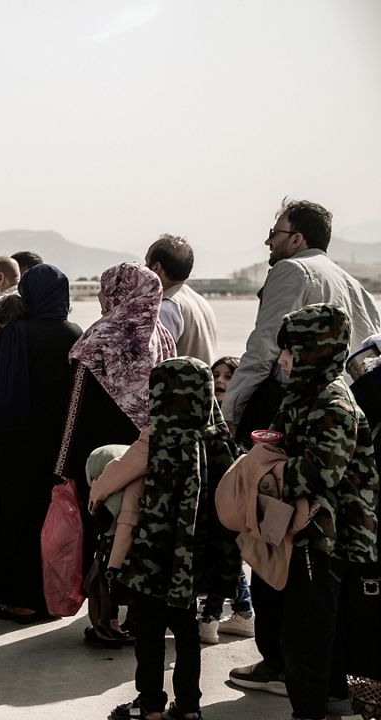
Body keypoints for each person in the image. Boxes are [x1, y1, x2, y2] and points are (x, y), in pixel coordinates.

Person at [230, 305, 380, 719]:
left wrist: (263, 471)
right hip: (300, 532)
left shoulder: (332, 402)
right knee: (303, 631)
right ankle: (328, 700)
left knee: (308, 637)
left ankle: (311, 709)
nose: (282, 360)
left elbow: (318, 474)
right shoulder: (302, 394)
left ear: (316, 351)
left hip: (325, 540)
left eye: (291, 352)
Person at [97, 358, 241, 720]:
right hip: (195, 560)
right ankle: (190, 708)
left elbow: (112, 478)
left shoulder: (156, 438)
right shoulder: (219, 442)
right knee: (187, 633)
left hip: (151, 557)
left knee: (148, 634)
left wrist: (95, 494)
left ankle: (149, 707)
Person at [55, 262, 175, 644]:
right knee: (139, 533)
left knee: (104, 538)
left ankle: (105, 622)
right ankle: (137, 619)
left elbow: (75, 408)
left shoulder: (98, 339)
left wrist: (63, 465)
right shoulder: (163, 336)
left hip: (102, 459)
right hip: (147, 454)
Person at [0, 265, 83, 620]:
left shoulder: (17, 332)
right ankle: (48, 598)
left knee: (13, 519)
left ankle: (16, 598)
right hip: (55, 447)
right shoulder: (73, 333)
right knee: (46, 522)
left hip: (13, 444)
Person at [224, 199, 381, 441]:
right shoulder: (356, 286)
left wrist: (231, 415)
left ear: (297, 239)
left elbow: (262, 349)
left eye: (274, 233)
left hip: (294, 414)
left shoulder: (292, 269)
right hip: (350, 413)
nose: (268, 241)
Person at [198, 355, 255, 645]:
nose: (220, 381)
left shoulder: (237, 420)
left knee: (226, 552)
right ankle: (244, 612)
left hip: (230, 502)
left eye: (229, 376)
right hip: (213, 501)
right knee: (227, 554)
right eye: (215, 375)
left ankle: (211, 616)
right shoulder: (204, 413)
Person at [145, 234, 218, 364]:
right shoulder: (200, 302)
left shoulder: (166, 307)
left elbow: (154, 360)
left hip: (178, 384)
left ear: (156, 268)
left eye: (146, 263)